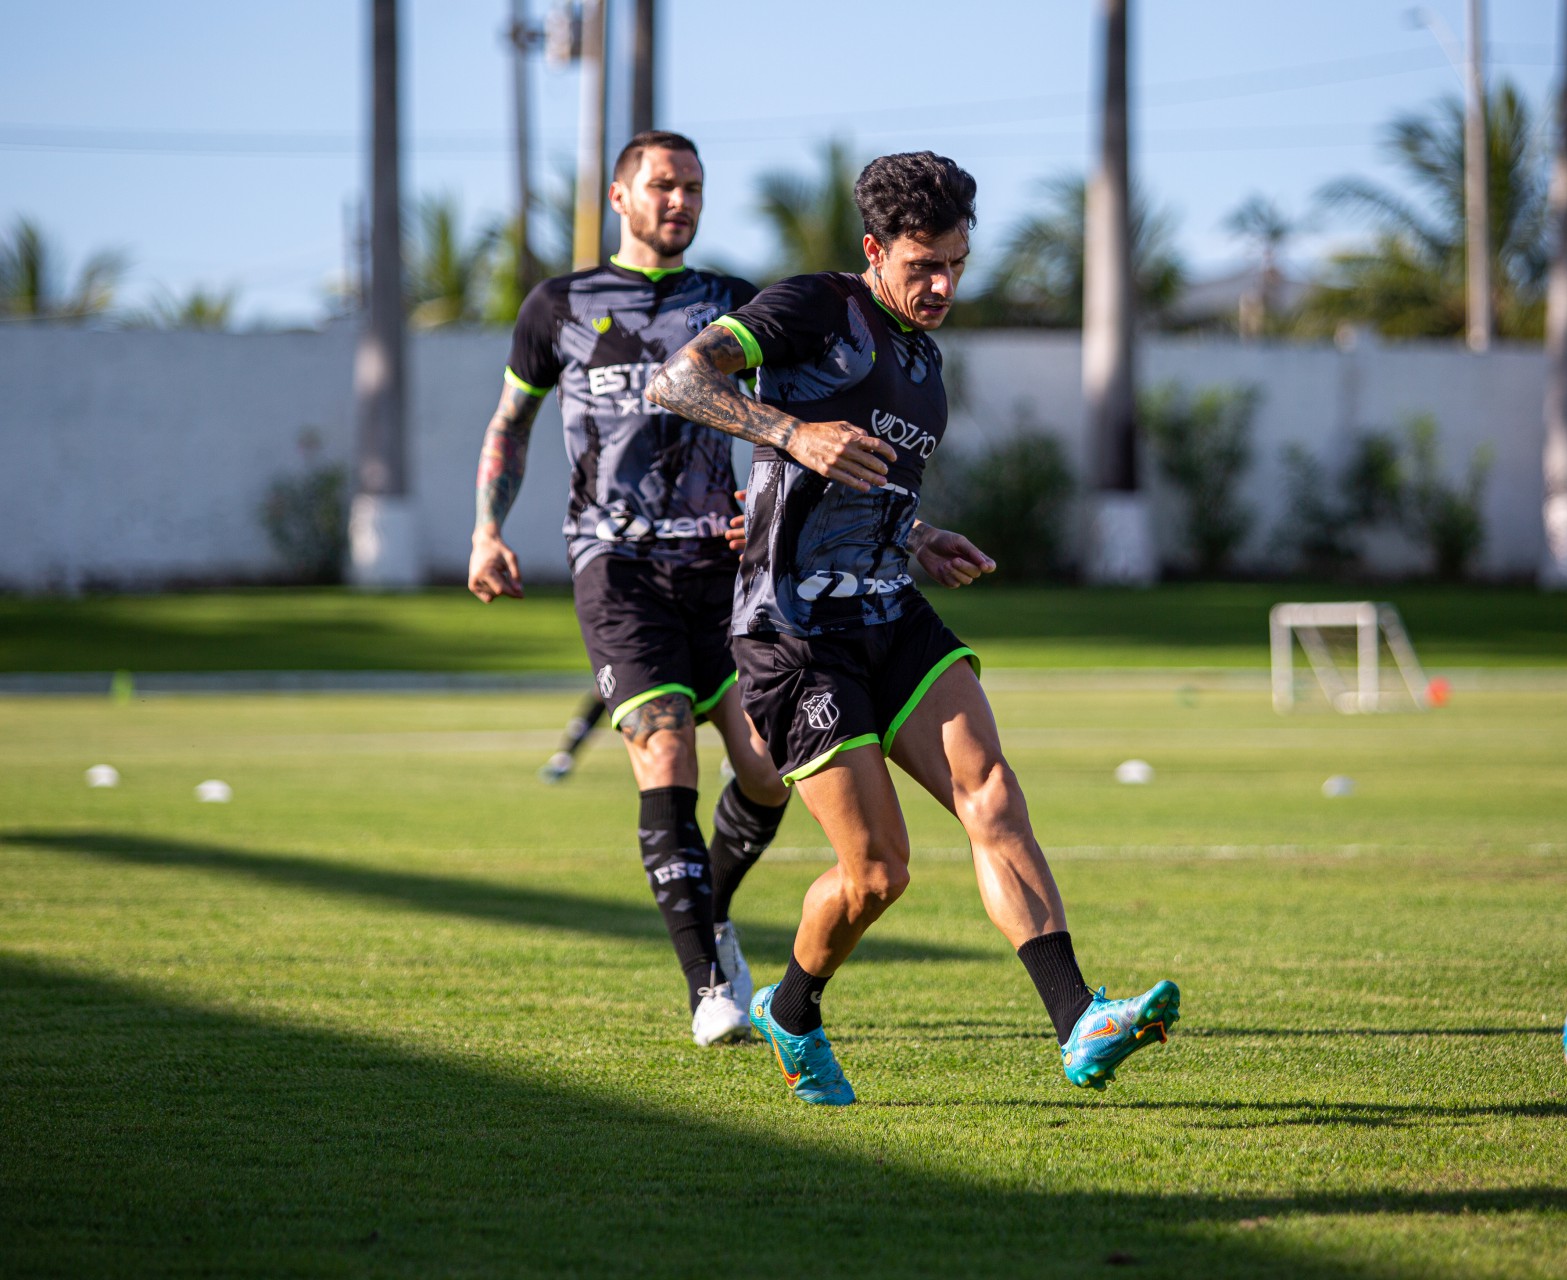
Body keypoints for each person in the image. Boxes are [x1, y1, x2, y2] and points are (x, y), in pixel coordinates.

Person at [647, 150, 1179, 1105]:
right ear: (873, 251)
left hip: (893, 608)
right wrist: (787, 431)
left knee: (993, 793)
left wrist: (922, 535)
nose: (941, 286)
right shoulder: (813, 308)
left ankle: (1077, 1021)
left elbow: (862, 483)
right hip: (793, 632)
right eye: (922, 265)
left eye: (956, 266)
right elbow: (676, 384)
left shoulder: (925, 361)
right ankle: (794, 1009)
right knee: (879, 874)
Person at [468, 130, 791, 1047]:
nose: (680, 201)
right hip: (615, 566)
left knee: (771, 776)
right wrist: (487, 531)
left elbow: (785, 424)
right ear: (619, 198)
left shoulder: (732, 304)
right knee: (666, 753)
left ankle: (713, 915)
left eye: (693, 186)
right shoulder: (558, 306)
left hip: (724, 571)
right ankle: (706, 992)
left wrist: (759, 506)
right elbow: (510, 423)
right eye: (662, 186)